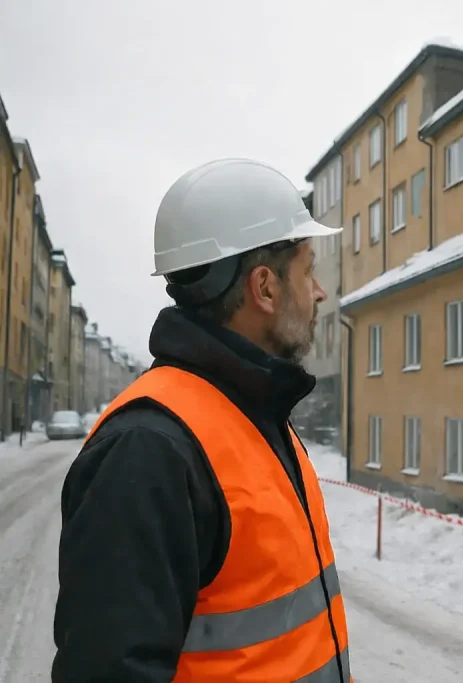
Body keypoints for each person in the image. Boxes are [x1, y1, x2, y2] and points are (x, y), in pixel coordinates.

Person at [52, 158, 354, 682]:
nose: (319, 292)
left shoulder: (256, 413)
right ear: (265, 287)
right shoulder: (149, 451)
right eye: (308, 271)